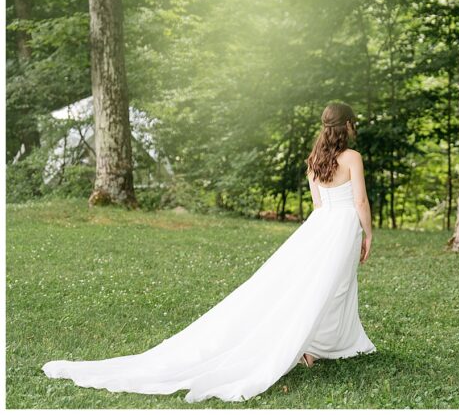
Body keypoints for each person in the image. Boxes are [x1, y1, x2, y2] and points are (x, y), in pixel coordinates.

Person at [43, 103, 376, 403]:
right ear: (347, 125)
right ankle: (312, 346)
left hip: (319, 228)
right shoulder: (352, 158)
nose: (354, 128)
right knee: (335, 287)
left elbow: (319, 205)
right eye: (353, 124)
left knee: (322, 287)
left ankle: (325, 345)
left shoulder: (314, 162)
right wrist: (368, 233)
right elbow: (359, 201)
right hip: (342, 228)